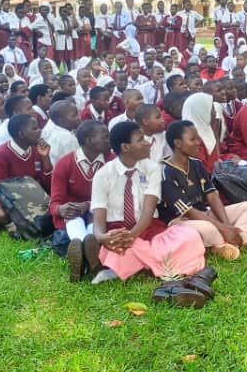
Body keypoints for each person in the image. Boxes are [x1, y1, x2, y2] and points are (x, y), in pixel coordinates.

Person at [89, 121, 207, 285]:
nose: (147, 143)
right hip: (119, 231)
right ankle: (144, 261)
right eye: (140, 140)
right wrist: (102, 237)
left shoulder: (152, 169)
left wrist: (132, 236)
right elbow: (99, 218)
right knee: (117, 246)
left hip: (149, 228)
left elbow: (148, 213)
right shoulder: (103, 175)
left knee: (190, 236)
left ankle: (127, 264)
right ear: (125, 147)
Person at [160, 119, 247, 261]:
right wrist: (223, 228)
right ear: (178, 143)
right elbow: (188, 211)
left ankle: (232, 240)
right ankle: (231, 240)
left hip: (205, 214)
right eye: (192, 139)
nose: (198, 142)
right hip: (181, 221)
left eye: (198, 138)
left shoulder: (196, 164)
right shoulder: (164, 172)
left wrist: (227, 226)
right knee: (208, 228)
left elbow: (212, 195)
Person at [0, 113, 53, 236]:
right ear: (21, 134)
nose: (40, 131)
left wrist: (46, 158)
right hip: (5, 198)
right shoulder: (0, 154)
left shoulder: (37, 150)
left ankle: (17, 222)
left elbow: (48, 185)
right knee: (1, 214)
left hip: (32, 195)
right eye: (35, 128)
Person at [50, 120, 110, 281]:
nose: (109, 140)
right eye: (104, 137)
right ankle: (87, 252)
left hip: (99, 212)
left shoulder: (111, 162)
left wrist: (89, 205)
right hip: (72, 216)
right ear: (89, 141)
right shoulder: (65, 164)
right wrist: (61, 209)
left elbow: (115, 197)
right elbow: (55, 202)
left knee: (94, 214)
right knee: (73, 216)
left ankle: (83, 255)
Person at [179, 92, 222, 172]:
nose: (215, 112)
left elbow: (216, 158)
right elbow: (202, 169)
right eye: (212, 109)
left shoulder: (206, 128)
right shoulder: (191, 138)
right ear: (202, 111)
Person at [42, 99, 81, 165]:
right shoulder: (67, 138)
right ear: (60, 120)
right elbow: (77, 164)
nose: (79, 117)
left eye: (78, 113)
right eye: (74, 116)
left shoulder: (50, 125)